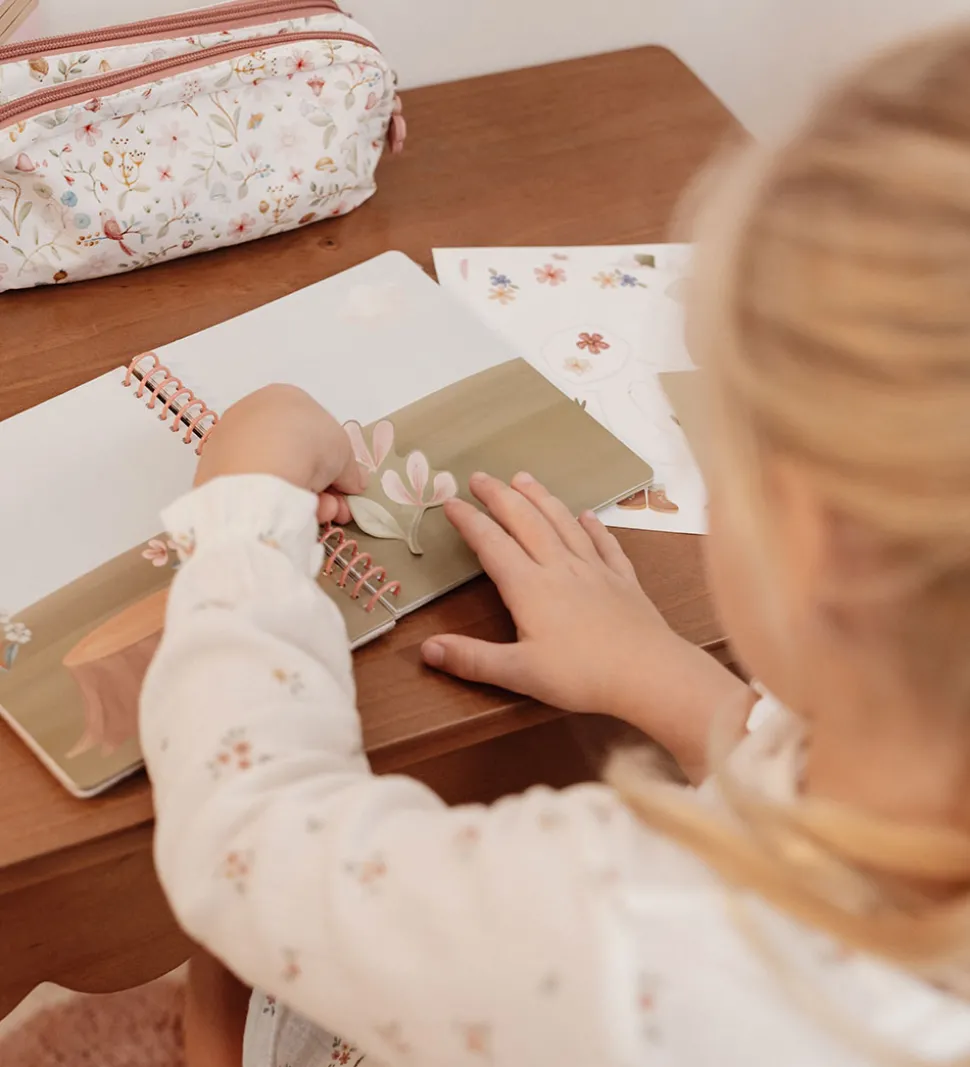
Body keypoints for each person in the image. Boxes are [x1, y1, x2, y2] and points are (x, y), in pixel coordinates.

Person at [142, 25, 970, 1067]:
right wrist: (669, 680)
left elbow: (253, 854)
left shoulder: (631, 929)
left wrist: (242, 516)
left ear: (813, 535)